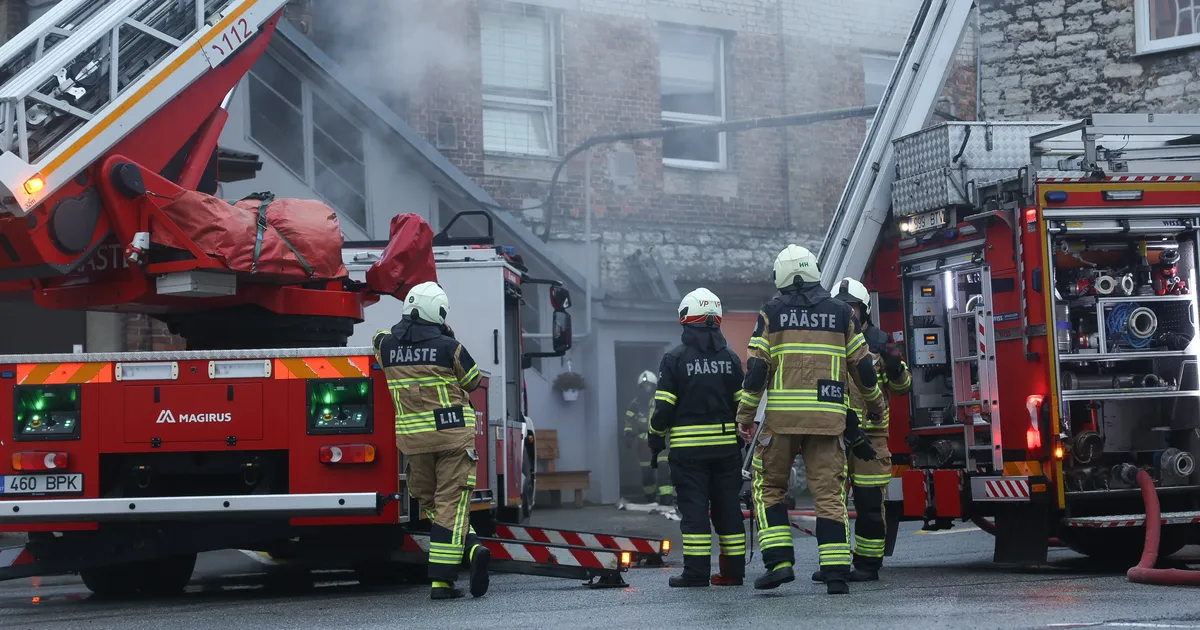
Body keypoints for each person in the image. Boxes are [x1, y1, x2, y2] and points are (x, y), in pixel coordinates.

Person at [735, 245, 885, 595]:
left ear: (783, 275)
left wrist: (745, 415)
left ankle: (780, 564)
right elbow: (862, 367)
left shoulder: (771, 312)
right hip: (829, 421)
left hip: (782, 422)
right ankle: (835, 574)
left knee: (769, 488)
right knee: (830, 496)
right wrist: (875, 405)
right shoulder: (840, 313)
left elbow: (757, 369)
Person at [373, 281, 491, 601]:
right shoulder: (448, 347)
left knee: (430, 500)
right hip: (454, 438)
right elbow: (473, 380)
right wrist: (447, 337)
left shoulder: (386, 346)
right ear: (438, 313)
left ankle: (471, 548)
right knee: (451, 504)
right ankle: (444, 578)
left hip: (416, 444)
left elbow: (379, 336)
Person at [809, 277, 911, 583]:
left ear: (864, 309)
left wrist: (895, 365)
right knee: (831, 503)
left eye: (852, 307)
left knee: (869, 503)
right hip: (836, 434)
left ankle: (868, 565)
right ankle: (835, 566)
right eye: (842, 307)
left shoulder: (880, 341)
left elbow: (903, 387)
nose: (848, 313)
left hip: (872, 436)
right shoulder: (830, 340)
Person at [648, 288, 748, 587]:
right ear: (716, 319)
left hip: (689, 454)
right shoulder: (730, 358)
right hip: (726, 452)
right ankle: (732, 573)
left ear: (685, 319)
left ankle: (695, 574)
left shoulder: (674, 359)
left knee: (694, 512)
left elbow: (663, 408)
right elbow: (741, 405)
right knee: (728, 510)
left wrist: (654, 439)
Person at [624, 370, 673, 505]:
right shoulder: (636, 403)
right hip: (643, 443)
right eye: (644, 386)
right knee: (647, 471)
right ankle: (650, 496)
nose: (647, 389)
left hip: (661, 440)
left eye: (649, 386)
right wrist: (628, 433)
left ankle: (666, 496)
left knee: (663, 466)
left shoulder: (661, 400)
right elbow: (628, 418)